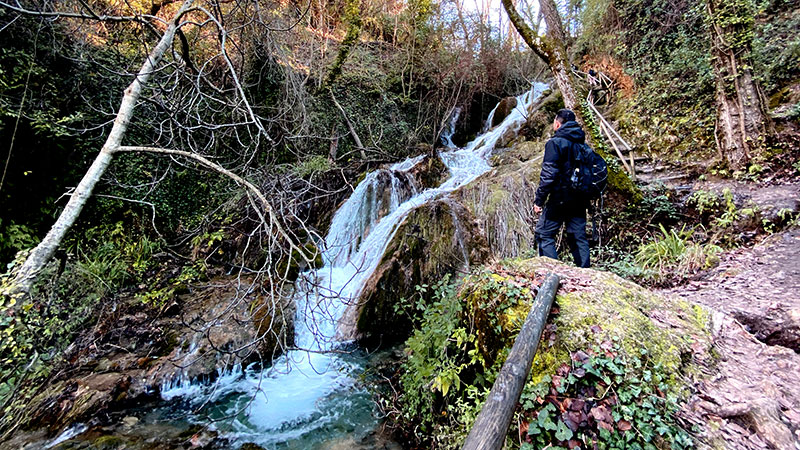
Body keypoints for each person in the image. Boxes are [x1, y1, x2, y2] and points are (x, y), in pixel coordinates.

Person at [533, 109, 591, 268]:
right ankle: (586, 274)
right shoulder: (582, 145)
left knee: (544, 234)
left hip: (559, 198)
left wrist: (539, 200)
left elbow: (548, 175)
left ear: (557, 123)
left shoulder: (555, 143)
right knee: (577, 236)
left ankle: (554, 273)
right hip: (580, 198)